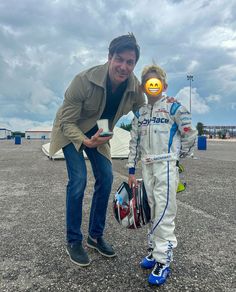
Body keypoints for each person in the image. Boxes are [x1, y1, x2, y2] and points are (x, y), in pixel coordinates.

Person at [49, 33, 145, 267]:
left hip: (100, 133)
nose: (123, 67)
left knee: (106, 176)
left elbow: (147, 114)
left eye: (129, 62)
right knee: (79, 179)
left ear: (134, 64)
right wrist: (85, 141)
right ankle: (73, 240)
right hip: (71, 130)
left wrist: (165, 108)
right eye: (119, 59)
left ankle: (95, 236)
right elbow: (66, 122)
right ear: (109, 57)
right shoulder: (83, 80)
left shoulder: (134, 88)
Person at [127, 64, 197, 285]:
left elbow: (189, 134)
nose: (152, 86)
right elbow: (133, 142)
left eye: (156, 82)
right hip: (147, 167)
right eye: (148, 83)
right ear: (143, 87)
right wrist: (131, 169)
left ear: (164, 86)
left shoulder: (175, 108)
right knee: (150, 209)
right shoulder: (139, 114)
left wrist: (177, 158)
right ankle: (154, 250)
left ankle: (163, 260)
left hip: (166, 167)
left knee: (164, 213)